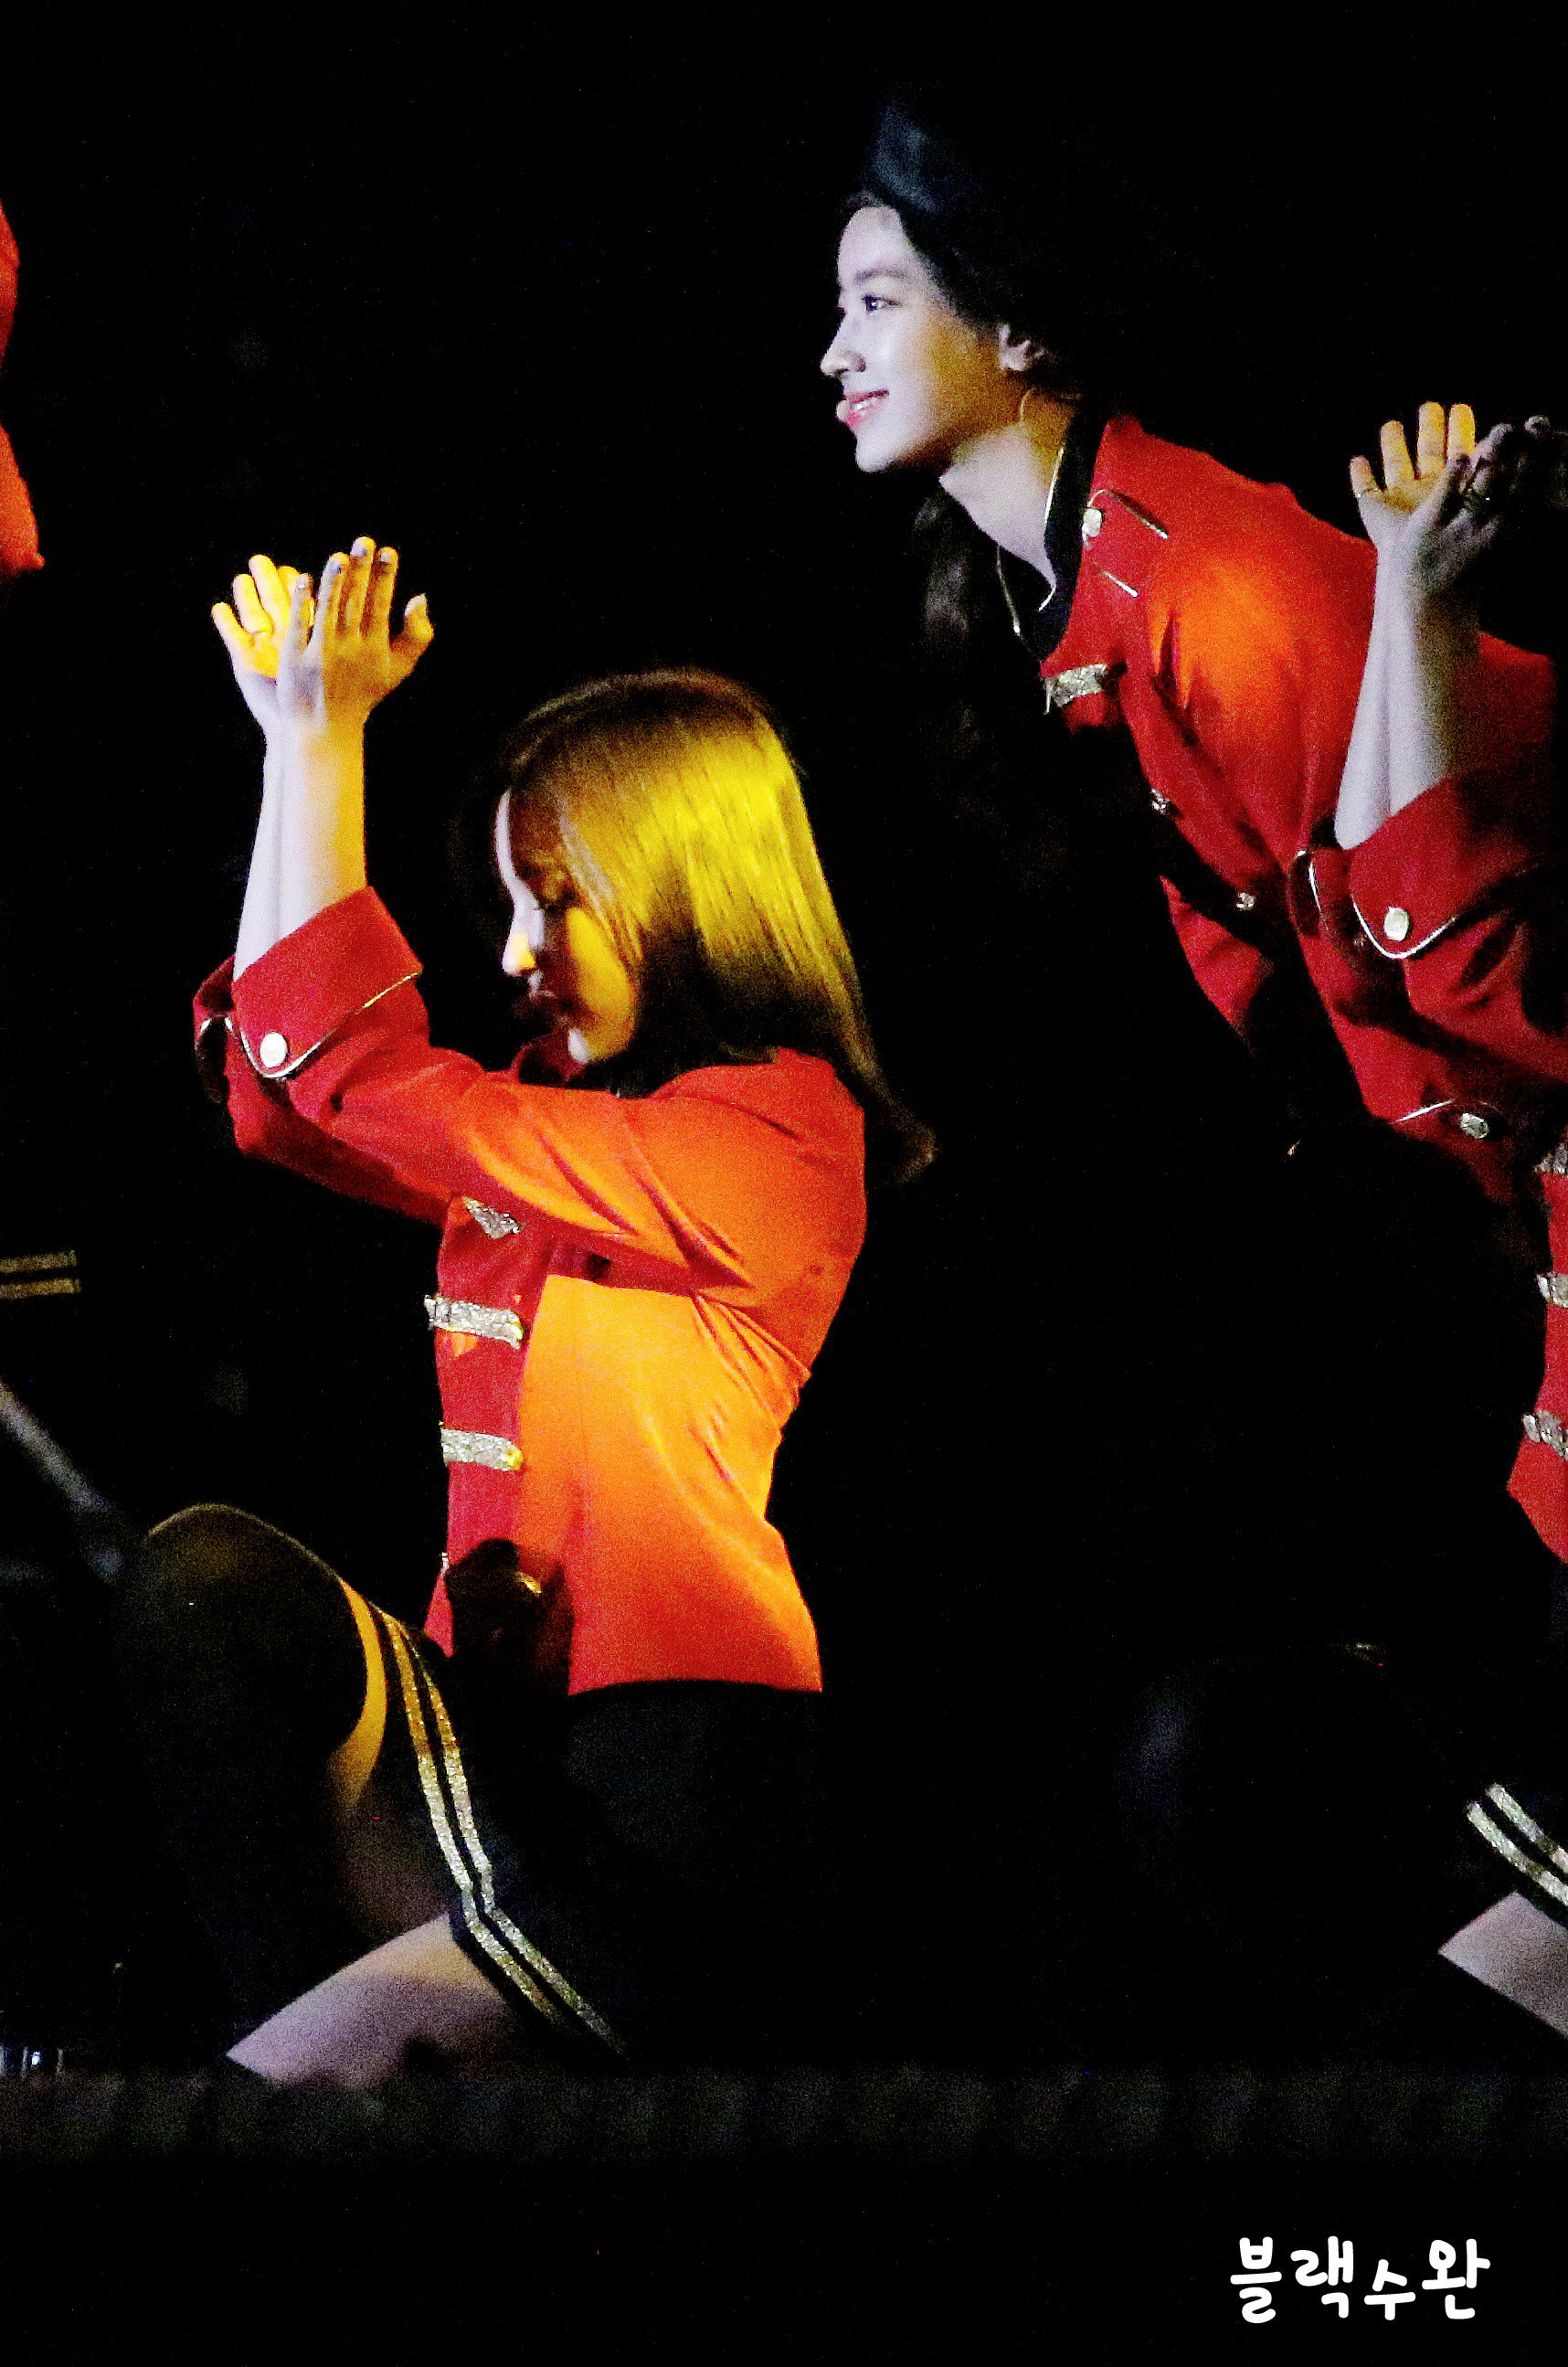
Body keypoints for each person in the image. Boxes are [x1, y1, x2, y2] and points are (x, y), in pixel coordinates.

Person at [818, 83, 1568, 2047]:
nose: (834, 353)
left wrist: (1437, 1293)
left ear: (1021, 326)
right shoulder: (1072, 602)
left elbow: (1452, 981)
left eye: (880, 302)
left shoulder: (1212, 587)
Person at [116, 536, 922, 2086]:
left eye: (555, 900)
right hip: (497, 1756)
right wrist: (293, 747)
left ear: (682, 896)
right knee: (205, 1588)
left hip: (672, 1808)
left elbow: (347, 1070)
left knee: (253, 2113)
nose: (513, 953)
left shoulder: (774, 1133)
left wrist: (325, 744)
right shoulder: (563, 1140)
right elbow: (283, 1102)